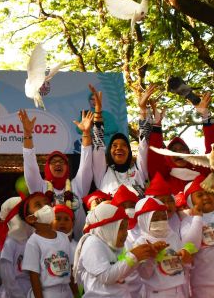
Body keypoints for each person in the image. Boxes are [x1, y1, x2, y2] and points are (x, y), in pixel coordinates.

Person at [21, 109, 94, 238]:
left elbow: (86, 164)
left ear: (67, 167)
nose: (58, 164)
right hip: (47, 247)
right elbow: (30, 165)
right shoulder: (40, 188)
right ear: (47, 168)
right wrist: (27, 133)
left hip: (76, 246)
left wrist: (86, 133)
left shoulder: (77, 186)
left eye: (62, 162)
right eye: (53, 162)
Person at [72, 203, 162, 298]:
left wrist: (147, 256)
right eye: (120, 228)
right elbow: (105, 276)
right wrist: (133, 256)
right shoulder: (92, 243)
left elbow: (122, 270)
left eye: (126, 228)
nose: (125, 233)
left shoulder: (112, 243)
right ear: (108, 227)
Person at [148, 93, 214, 194]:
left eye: (183, 149)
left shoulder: (203, 173)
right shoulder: (164, 176)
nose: (179, 153)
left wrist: (205, 115)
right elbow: (154, 157)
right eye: (174, 151)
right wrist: (156, 125)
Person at [89, 84, 153, 196]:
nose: (119, 147)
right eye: (114, 145)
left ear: (129, 150)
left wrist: (143, 109)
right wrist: (98, 110)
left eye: (124, 145)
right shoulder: (102, 172)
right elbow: (98, 144)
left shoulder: (139, 170)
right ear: (109, 151)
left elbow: (144, 143)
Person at [19, 192, 76, 298]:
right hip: (48, 293)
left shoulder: (63, 237)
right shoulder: (33, 242)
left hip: (67, 291)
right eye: (38, 205)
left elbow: (70, 269)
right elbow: (34, 276)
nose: (46, 207)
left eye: (47, 203)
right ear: (31, 218)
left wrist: (75, 293)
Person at [133, 197, 193, 298]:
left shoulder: (173, 236)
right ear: (144, 220)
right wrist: (153, 257)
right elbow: (144, 275)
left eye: (163, 217)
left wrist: (187, 259)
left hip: (180, 291)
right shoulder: (141, 243)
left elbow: (184, 264)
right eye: (155, 219)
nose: (160, 221)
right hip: (158, 294)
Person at [0, 196, 33, 298]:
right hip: (11, 293)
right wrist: (18, 295)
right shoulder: (9, 243)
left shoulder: (31, 241)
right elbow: (7, 276)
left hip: (30, 291)